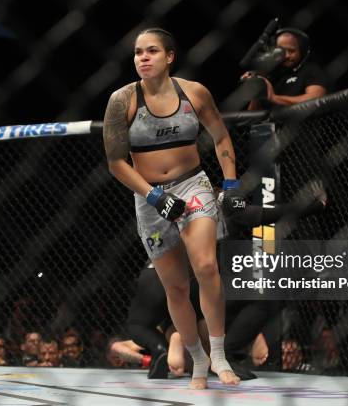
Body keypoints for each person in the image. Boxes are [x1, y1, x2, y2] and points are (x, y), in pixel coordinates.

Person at [103, 27, 244, 388]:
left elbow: (221, 135)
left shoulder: (194, 93)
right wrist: (153, 196)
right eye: (137, 52)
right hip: (149, 195)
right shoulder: (122, 100)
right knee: (176, 288)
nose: (142, 58)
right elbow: (116, 163)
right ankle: (197, 360)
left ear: (169, 57)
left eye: (151, 51)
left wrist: (230, 183)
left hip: (193, 184)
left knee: (207, 265)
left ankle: (219, 354)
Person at [243, 27, 327, 110]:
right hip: (276, 123)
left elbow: (315, 99)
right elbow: (252, 114)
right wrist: (256, 89)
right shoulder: (273, 75)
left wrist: (274, 98)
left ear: (301, 51)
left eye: (291, 51)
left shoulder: (310, 70)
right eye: (281, 51)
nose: (286, 56)